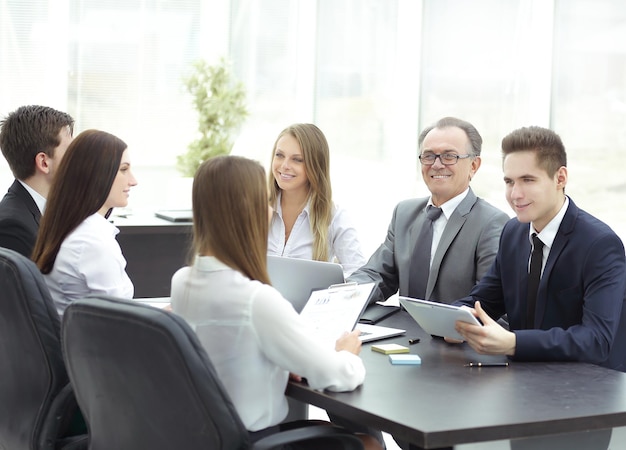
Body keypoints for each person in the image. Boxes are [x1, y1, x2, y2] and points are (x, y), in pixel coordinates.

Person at [170, 155, 382, 450]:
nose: (271, 212)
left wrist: (279, 362)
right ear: (248, 213)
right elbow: (337, 375)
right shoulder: (257, 300)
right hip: (250, 441)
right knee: (368, 443)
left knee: (326, 428)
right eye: (265, 203)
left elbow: (227, 352)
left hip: (204, 437)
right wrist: (347, 354)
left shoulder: (182, 282)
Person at [453, 125, 626, 369]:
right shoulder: (513, 232)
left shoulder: (600, 245)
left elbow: (596, 339)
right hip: (526, 378)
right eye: (509, 181)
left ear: (560, 178)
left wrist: (514, 343)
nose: (515, 194)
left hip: (587, 388)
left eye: (528, 180)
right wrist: (453, 319)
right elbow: (485, 299)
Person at [349, 117, 509, 304]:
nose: (437, 164)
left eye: (449, 156)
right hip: (403, 329)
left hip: (454, 331)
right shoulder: (404, 213)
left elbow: (492, 302)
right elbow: (378, 274)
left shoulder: (491, 223)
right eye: (429, 156)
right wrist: (339, 294)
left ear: (473, 165)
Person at [32, 129, 137, 315]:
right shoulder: (92, 242)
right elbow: (121, 321)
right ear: (96, 174)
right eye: (123, 170)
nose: (133, 181)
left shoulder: (70, 227)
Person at [268, 123, 366, 277]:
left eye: (297, 159)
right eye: (279, 155)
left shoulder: (335, 217)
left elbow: (359, 275)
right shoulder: (255, 208)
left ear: (315, 165)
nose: (285, 165)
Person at [0, 105, 74, 257]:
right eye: (71, 152)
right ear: (44, 162)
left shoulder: (51, 210)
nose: (77, 159)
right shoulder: (12, 227)